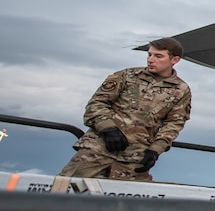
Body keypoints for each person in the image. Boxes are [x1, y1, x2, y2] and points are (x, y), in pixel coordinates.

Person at [59, 37, 192, 181]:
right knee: (63, 193)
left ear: (175, 60)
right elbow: (97, 103)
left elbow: (174, 124)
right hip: (97, 150)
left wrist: (155, 150)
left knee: (124, 202)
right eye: (149, 54)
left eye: (158, 56)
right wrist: (107, 128)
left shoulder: (181, 90)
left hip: (134, 160)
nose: (151, 60)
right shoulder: (126, 76)